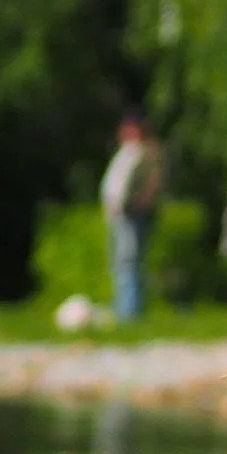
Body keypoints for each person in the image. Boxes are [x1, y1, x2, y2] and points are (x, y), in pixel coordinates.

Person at [99, 111, 164, 324]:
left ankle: (129, 311)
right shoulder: (126, 152)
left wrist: (138, 204)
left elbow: (152, 185)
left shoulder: (146, 153)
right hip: (117, 216)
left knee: (128, 261)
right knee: (119, 262)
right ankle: (122, 307)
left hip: (132, 216)